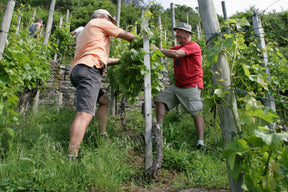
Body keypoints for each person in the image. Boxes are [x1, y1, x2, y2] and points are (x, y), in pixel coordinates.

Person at [68, 9, 135, 159]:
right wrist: (144, 44)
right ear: (104, 17)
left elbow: (103, 59)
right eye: (110, 21)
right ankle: (71, 157)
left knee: (104, 100)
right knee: (84, 114)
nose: (110, 24)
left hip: (79, 70)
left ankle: (102, 135)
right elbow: (127, 36)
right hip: (89, 70)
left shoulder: (87, 32)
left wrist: (121, 60)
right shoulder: (99, 22)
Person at [151, 22, 205, 150]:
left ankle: (200, 143)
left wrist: (157, 50)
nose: (176, 35)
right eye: (176, 32)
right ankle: (159, 131)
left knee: (196, 112)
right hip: (177, 86)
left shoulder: (193, 46)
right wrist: (150, 48)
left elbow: (176, 54)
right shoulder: (177, 47)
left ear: (187, 33)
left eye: (179, 32)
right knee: (160, 99)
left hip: (191, 85)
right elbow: (166, 52)